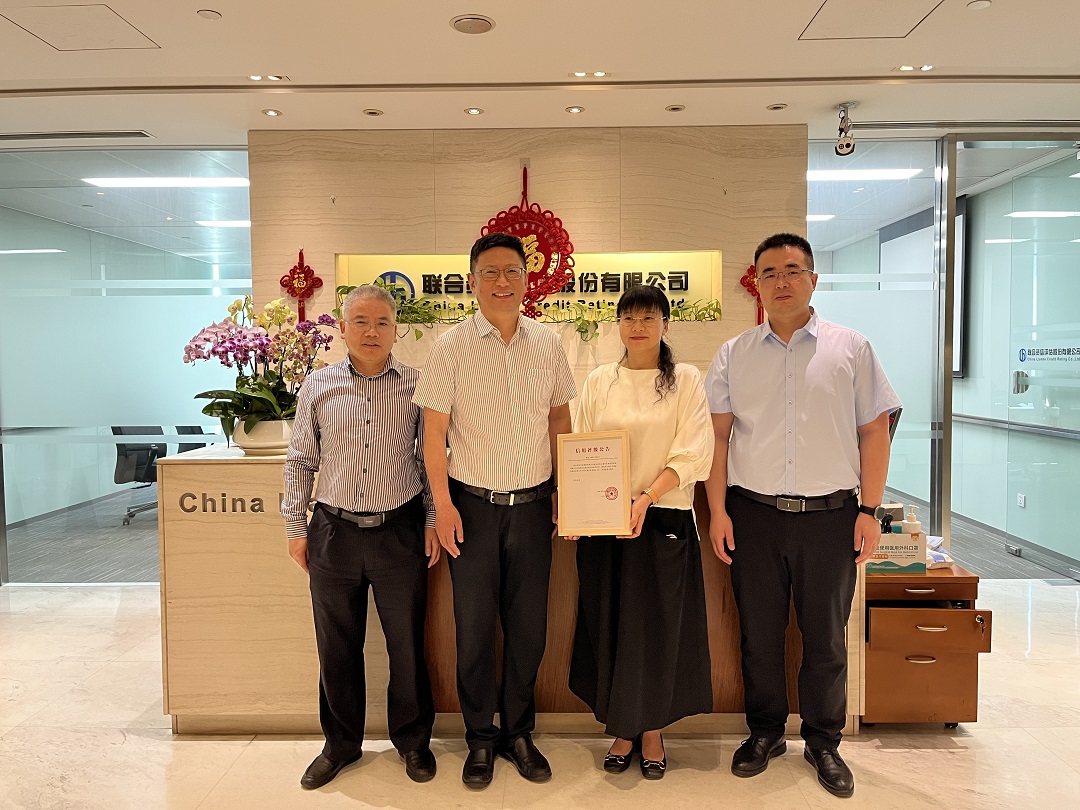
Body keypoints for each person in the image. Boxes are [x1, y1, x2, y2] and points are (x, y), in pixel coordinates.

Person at [704, 233, 900, 799]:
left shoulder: (851, 348)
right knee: (759, 635)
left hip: (831, 518)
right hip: (753, 515)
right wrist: (717, 511)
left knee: (826, 638)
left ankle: (823, 741)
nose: (781, 282)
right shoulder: (734, 353)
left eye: (792, 270)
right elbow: (717, 439)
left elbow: (874, 432)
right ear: (756, 284)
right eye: (769, 273)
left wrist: (870, 510)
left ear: (813, 280)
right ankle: (765, 732)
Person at [413, 232, 576, 789]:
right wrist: (442, 506)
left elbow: (559, 420)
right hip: (472, 509)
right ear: (473, 281)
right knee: (475, 629)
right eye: (490, 272)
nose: (502, 282)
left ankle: (519, 733)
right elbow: (434, 433)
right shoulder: (449, 346)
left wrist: (565, 489)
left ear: (527, 279)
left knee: (529, 629)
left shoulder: (548, 342)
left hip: (533, 508)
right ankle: (480, 737)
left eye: (512, 271)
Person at [282, 285, 439, 790]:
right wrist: (295, 527)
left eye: (382, 322)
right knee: (337, 646)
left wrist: (432, 519)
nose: (372, 332)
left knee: (407, 645)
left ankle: (413, 742)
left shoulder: (418, 385)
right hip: (333, 532)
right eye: (362, 322)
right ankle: (340, 745)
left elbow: (431, 459)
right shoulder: (318, 385)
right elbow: (300, 460)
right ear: (343, 327)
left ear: (396, 329)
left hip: (400, 531)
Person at [567, 284, 715, 780]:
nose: (638, 326)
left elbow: (694, 453)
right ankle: (623, 728)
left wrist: (646, 498)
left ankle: (652, 731)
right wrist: (578, 507)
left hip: (662, 520)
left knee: (657, 630)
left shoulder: (686, 380)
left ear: (665, 325)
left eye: (649, 317)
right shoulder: (599, 381)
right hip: (604, 523)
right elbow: (582, 446)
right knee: (609, 624)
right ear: (618, 325)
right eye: (629, 317)